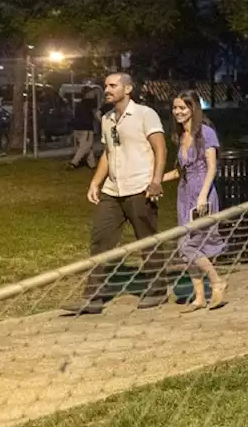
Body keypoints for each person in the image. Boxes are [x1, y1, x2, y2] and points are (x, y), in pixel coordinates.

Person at [62, 73, 169, 315]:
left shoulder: (144, 114)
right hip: (113, 190)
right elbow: (108, 154)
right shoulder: (107, 119)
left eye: (113, 85)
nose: (107, 89)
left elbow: (160, 148)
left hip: (140, 188)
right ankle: (93, 298)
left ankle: (157, 290)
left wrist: (156, 181)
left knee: (147, 240)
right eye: (106, 86)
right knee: (100, 240)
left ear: (128, 88)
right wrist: (95, 183)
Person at [163, 90, 228, 312]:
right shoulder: (181, 135)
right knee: (187, 244)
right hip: (184, 194)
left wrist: (203, 194)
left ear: (193, 109)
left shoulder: (205, 133)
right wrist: (156, 180)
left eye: (183, 107)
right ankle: (199, 297)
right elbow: (181, 169)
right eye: (175, 108)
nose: (178, 112)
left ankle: (217, 281)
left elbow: (212, 167)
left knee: (190, 245)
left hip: (202, 194)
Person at [68, 87, 101, 170]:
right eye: (92, 92)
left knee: (88, 146)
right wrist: (103, 122)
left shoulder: (79, 103)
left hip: (77, 127)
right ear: (87, 94)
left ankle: (92, 165)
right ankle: (73, 163)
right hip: (86, 128)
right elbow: (95, 114)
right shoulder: (90, 102)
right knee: (84, 146)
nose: (93, 94)